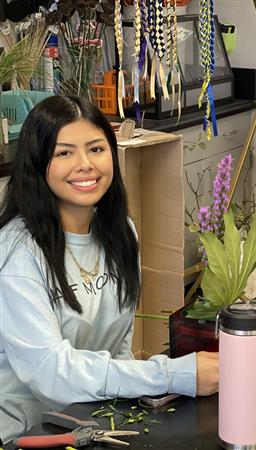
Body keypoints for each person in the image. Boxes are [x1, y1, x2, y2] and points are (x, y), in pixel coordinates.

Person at [0, 95, 218, 444]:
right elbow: (50, 372)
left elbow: (117, 346)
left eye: (96, 149)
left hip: (88, 418)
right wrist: (171, 375)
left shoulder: (119, 232)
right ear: (38, 164)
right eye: (64, 153)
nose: (85, 165)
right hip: (25, 433)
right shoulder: (17, 252)